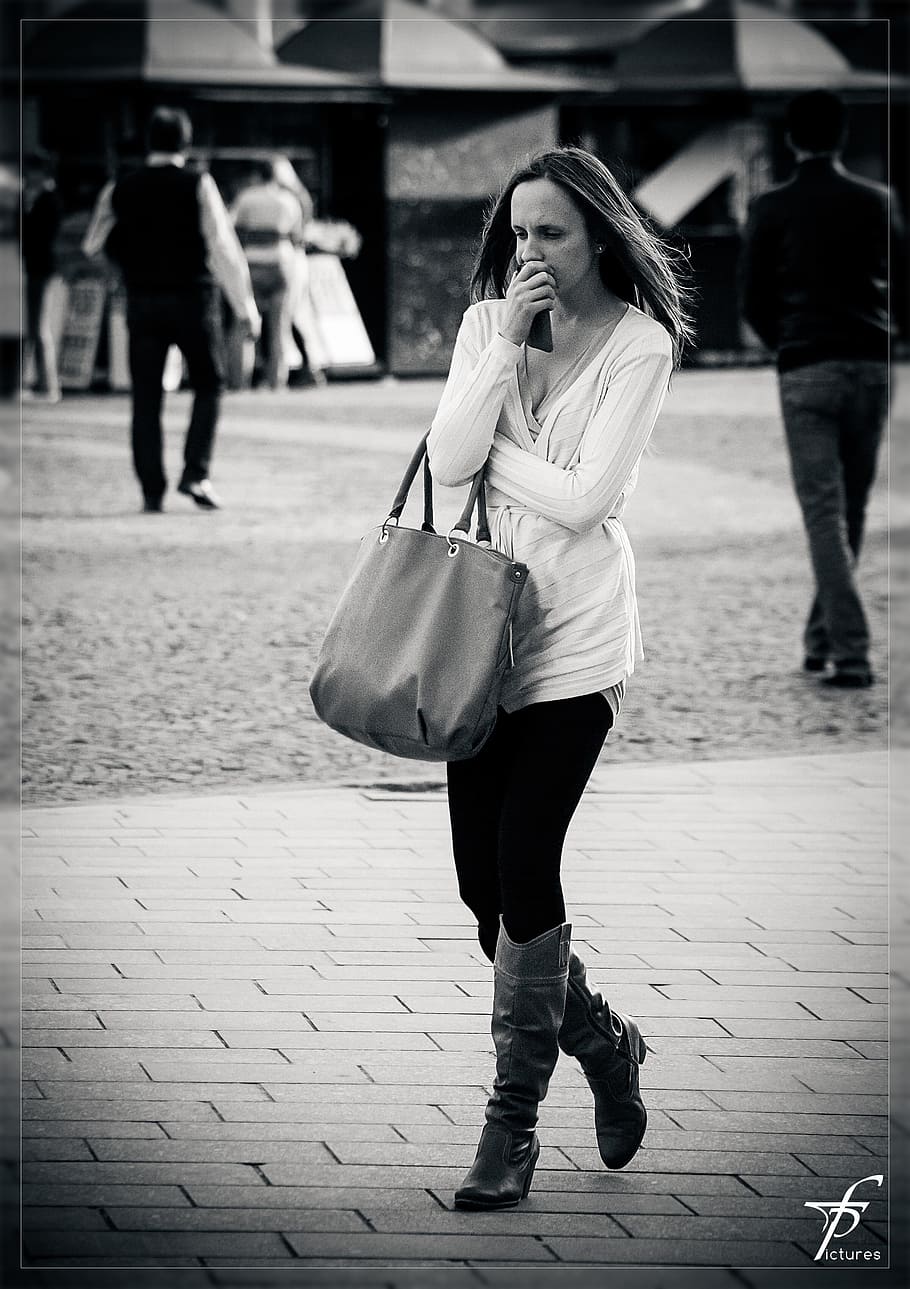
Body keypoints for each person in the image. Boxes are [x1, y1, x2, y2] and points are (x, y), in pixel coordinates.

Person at [426, 146, 693, 1210]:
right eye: (520, 231)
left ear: (598, 237)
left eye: (553, 233)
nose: (531, 250)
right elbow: (448, 456)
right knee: (477, 891)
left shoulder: (641, 343)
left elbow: (589, 502)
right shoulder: (487, 325)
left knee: (525, 868)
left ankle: (509, 1129)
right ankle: (602, 1037)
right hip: (475, 641)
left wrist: (496, 454)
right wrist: (499, 355)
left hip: (577, 642)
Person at [740, 90, 905, 689]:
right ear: (840, 136)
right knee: (850, 508)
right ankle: (821, 639)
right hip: (872, 364)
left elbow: (752, 298)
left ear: (791, 138)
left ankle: (852, 650)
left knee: (823, 514)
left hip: (807, 366)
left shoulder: (771, 207)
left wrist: (785, 342)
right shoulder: (878, 201)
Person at [82, 106, 260, 512]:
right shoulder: (198, 183)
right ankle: (195, 473)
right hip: (194, 300)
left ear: (149, 142)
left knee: (145, 397)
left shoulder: (120, 187)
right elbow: (221, 248)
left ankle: (151, 490)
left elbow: (93, 244)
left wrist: (124, 265)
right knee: (209, 384)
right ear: (185, 143)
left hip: (142, 301)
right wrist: (245, 306)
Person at [231, 158, 307, 390]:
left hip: (251, 262)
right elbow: (297, 235)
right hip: (282, 262)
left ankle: (239, 382)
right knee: (279, 327)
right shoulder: (288, 200)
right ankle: (276, 382)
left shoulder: (246, 197)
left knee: (245, 324)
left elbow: (232, 228)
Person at [22, 151, 62, 403]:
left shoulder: (48, 199)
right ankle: (39, 383)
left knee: (38, 328)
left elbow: (37, 235)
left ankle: (48, 385)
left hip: (42, 269)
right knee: (33, 327)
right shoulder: (41, 198)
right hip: (35, 269)